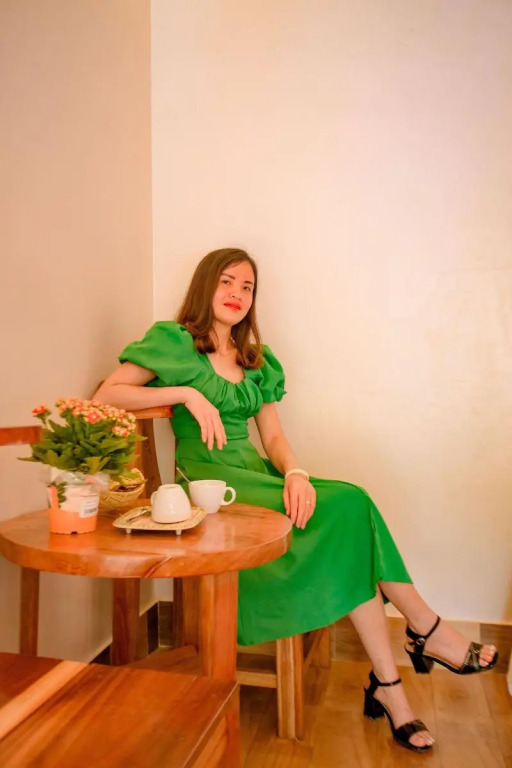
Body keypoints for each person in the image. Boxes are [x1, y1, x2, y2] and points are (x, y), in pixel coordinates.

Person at [95, 247, 498, 753]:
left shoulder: (255, 360)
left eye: (247, 287)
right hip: (210, 486)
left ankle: (393, 682)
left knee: (349, 515)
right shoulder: (174, 342)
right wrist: (183, 394)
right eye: (227, 281)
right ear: (205, 285)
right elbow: (106, 396)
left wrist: (296, 474)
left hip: (254, 476)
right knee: (352, 507)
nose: (237, 294)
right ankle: (423, 634)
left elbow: (274, 439)